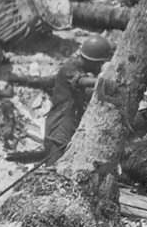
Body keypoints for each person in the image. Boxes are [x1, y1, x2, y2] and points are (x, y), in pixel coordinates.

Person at [42, 36, 113, 164]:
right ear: (90, 60)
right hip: (60, 124)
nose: (99, 66)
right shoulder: (69, 68)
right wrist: (103, 82)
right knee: (54, 163)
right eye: (99, 63)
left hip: (72, 121)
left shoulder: (83, 69)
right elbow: (80, 81)